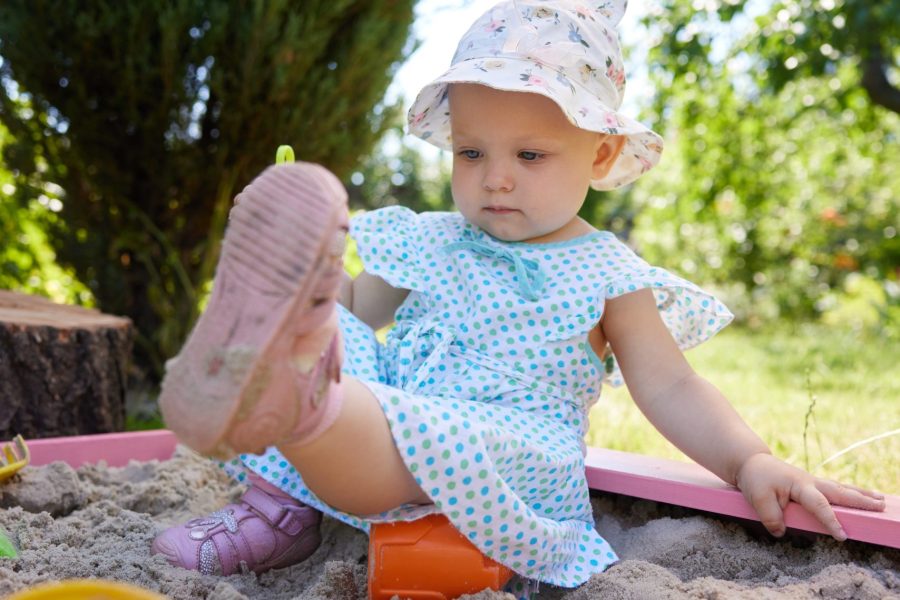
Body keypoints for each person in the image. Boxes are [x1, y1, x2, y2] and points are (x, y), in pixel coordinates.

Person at [152, 0, 886, 595]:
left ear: (599, 154)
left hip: (500, 448)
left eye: (529, 155)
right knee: (335, 325)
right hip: (394, 408)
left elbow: (671, 384)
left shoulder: (606, 270)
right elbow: (363, 304)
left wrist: (749, 460)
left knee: (380, 411)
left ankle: (298, 401)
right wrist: (311, 287)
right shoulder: (436, 239)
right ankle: (280, 471)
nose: (494, 179)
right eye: (471, 153)